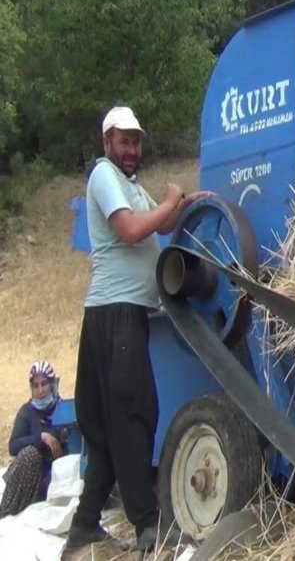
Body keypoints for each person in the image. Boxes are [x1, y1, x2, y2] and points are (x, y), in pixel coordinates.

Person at [66, 106, 207, 552]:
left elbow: (161, 222)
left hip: (112, 318)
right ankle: (149, 525)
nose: (132, 149)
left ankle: (85, 523)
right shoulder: (103, 175)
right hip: (117, 315)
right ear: (107, 142)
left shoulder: (128, 185)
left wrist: (186, 203)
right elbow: (130, 231)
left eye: (136, 141)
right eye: (124, 141)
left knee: (105, 427)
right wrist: (167, 202)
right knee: (134, 414)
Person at [0, 361, 71, 518]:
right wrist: (41, 438)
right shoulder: (27, 412)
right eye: (35, 386)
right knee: (30, 454)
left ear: (52, 385)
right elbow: (13, 446)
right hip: (31, 478)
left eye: (44, 384)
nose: (40, 391)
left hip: (56, 478)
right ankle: (7, 512)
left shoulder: (65, 410)